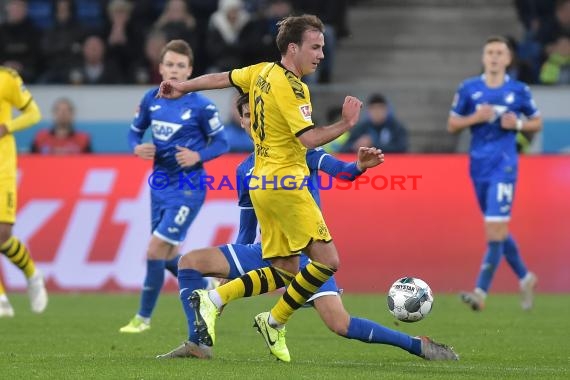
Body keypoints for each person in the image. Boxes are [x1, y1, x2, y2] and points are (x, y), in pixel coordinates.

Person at [157, 93, 459, 361]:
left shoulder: (300, 150)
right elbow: (247, 226)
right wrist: (228, 272)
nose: (253, 120)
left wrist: (358, 166)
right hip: (266, 250)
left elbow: (340, 171)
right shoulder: (244, 168)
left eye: (257, 114)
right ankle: (199, 344)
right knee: (190, 263)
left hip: (307, 255)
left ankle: (417, 346)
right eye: (247, 115)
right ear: (242, 121)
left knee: (341, 324)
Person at [159, 14, 382, 363]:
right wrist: (347, 123)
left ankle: (221, 303)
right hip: (287, 186)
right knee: (328, 261)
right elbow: (309, 139)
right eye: (316, 46)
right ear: (293, 48)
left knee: (284, 268)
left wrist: (182, 87)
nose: (322, 54)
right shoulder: (294, 87)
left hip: (262, 182)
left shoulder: (260, 71)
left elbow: (222, 78)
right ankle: (262, 316)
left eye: (322, 47)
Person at [119, 39, 229, 333]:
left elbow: (222, 142)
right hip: (159, 185)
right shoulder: (150, 99)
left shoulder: (202, 105)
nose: (175, 70)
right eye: (170, 64)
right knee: (167, 256)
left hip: (189, 188)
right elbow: (134, 132)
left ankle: (142, 319)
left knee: (154, 251)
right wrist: (136, 147)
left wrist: (198, 155)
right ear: (160, 67)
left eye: (181, 66)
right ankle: (206, 284)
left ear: (190, 70)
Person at [447, 36, 543, 312]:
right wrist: (475, 118)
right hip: (478, 166)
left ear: (508, 59)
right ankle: (526, 277)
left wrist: (520, 123)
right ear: (483, 57)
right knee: (497, 229)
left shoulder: (519, 90)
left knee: (494, 230)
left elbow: (537, 122)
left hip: (505, 166)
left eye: (500, 52)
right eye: (489, 52)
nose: (494, 57)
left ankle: (480, 292)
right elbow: (452, 124)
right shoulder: (469, 88)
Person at [0, 66, 48, 317]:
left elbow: (33, 113)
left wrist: (7, 126)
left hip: (2, 167)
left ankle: (32, 274)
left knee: (3, 233)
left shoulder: (7, 79)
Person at [341, 93, 409, 154]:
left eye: (380, 108)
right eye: (374, 109)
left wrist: (372, 145)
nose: (377, 112)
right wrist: (355, 146)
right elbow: (343, 149)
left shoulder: (396, 127)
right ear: (369, 111)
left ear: (387, 110)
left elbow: (402, 148)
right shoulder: (361, 127)